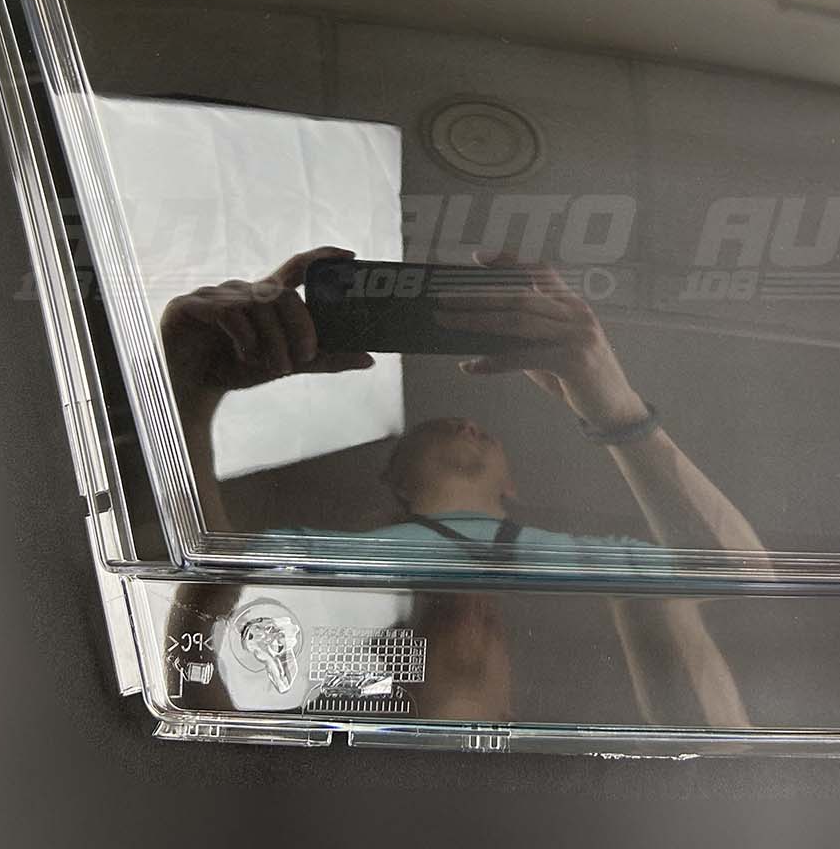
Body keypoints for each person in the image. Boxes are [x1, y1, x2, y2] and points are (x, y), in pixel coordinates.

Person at [158, 245, 764, 724]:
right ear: (396, 479)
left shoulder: (592, 574)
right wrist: (186, 389)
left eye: (483, 431)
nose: (467, 424)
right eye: (434, 431)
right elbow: (188, 587)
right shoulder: (325, 568)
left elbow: (739, 578)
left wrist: (609, 395)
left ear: (513, 484)